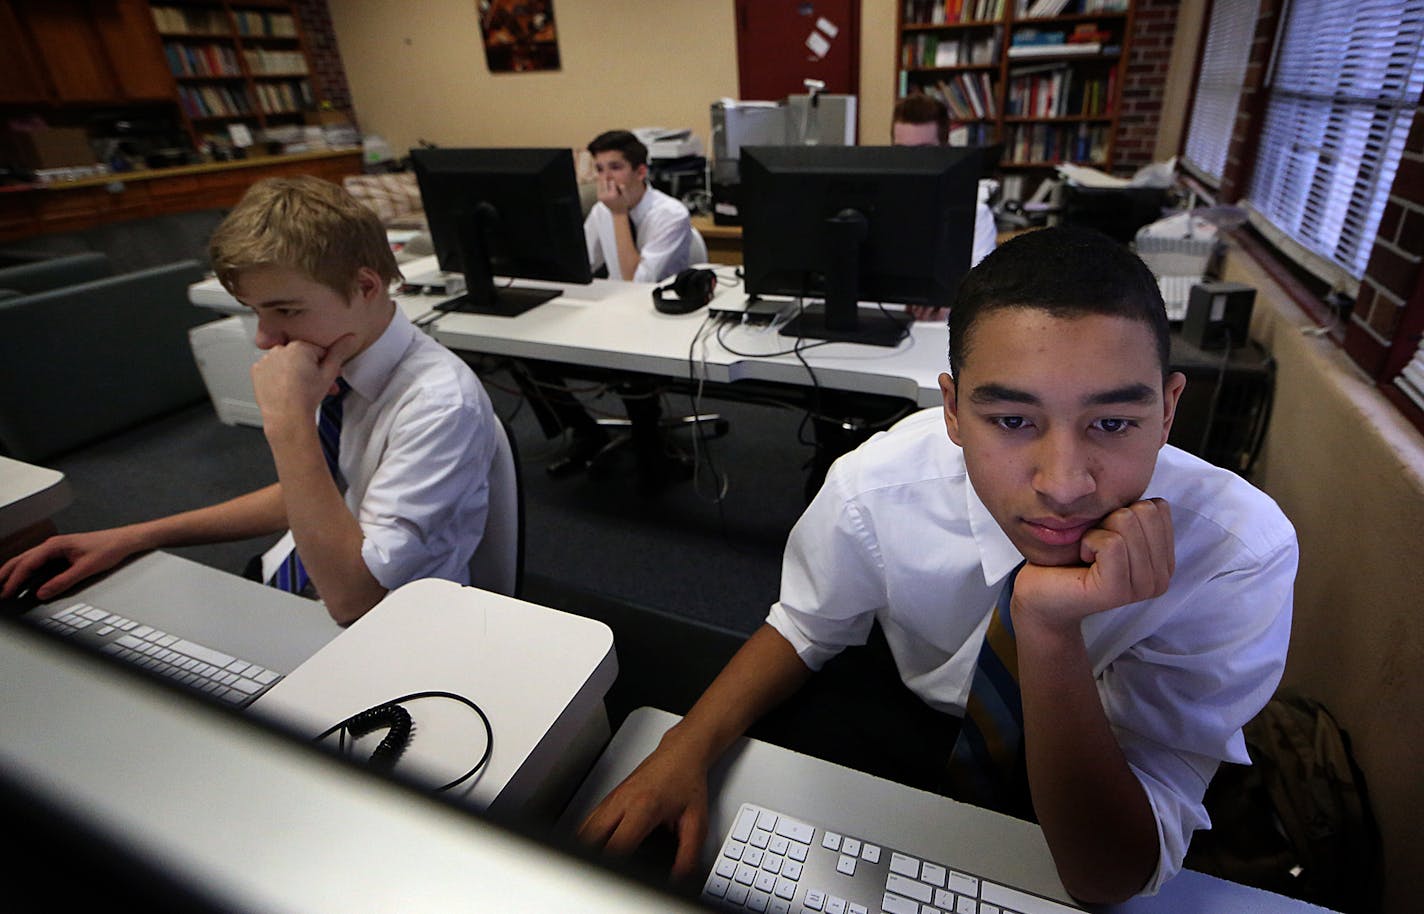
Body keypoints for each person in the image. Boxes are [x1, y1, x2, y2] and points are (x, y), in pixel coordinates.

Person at [576, 226, 1296, 903]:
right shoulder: (879, 484)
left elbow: (1106, 873)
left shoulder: (1236, 555)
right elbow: (805, 625)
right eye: (1013, 421)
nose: (1064, 482)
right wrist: (685, 745)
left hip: (1093, 758)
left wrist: (1046, 628)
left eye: (1113, 422)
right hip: (908, 708)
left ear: (1168, 412)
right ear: (952, 410)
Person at [0, 176, 499, 626]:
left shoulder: (436, 404)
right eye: (256, 312)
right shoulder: (336, 355)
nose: (264, 339)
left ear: (366, 286)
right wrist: (136, 535)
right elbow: (314, 491)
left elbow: (354, 600)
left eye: (286, 309)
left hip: (380, 623)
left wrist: (289, 423)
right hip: (293, 575)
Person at [523, 129, 695, 478]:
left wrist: (618, 216)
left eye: (615, 167)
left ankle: (653, 452)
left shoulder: (670, 215)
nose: (605, 178)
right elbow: (577, 265)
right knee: (526, 355)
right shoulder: (602, 212)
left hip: (662, 321)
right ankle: (585, 431)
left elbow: (639, 284)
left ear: (640, 171)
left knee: (631, 365)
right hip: (617, 313)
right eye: (599, 169)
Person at [892, 93, 998, 321]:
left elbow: (976, 294)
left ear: (945, 149)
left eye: (925, 151)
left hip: (941, 329)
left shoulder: (974, 213)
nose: (912, 162)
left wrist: (950, 303)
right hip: (884, 319)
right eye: (902, 151)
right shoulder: (877, 206)